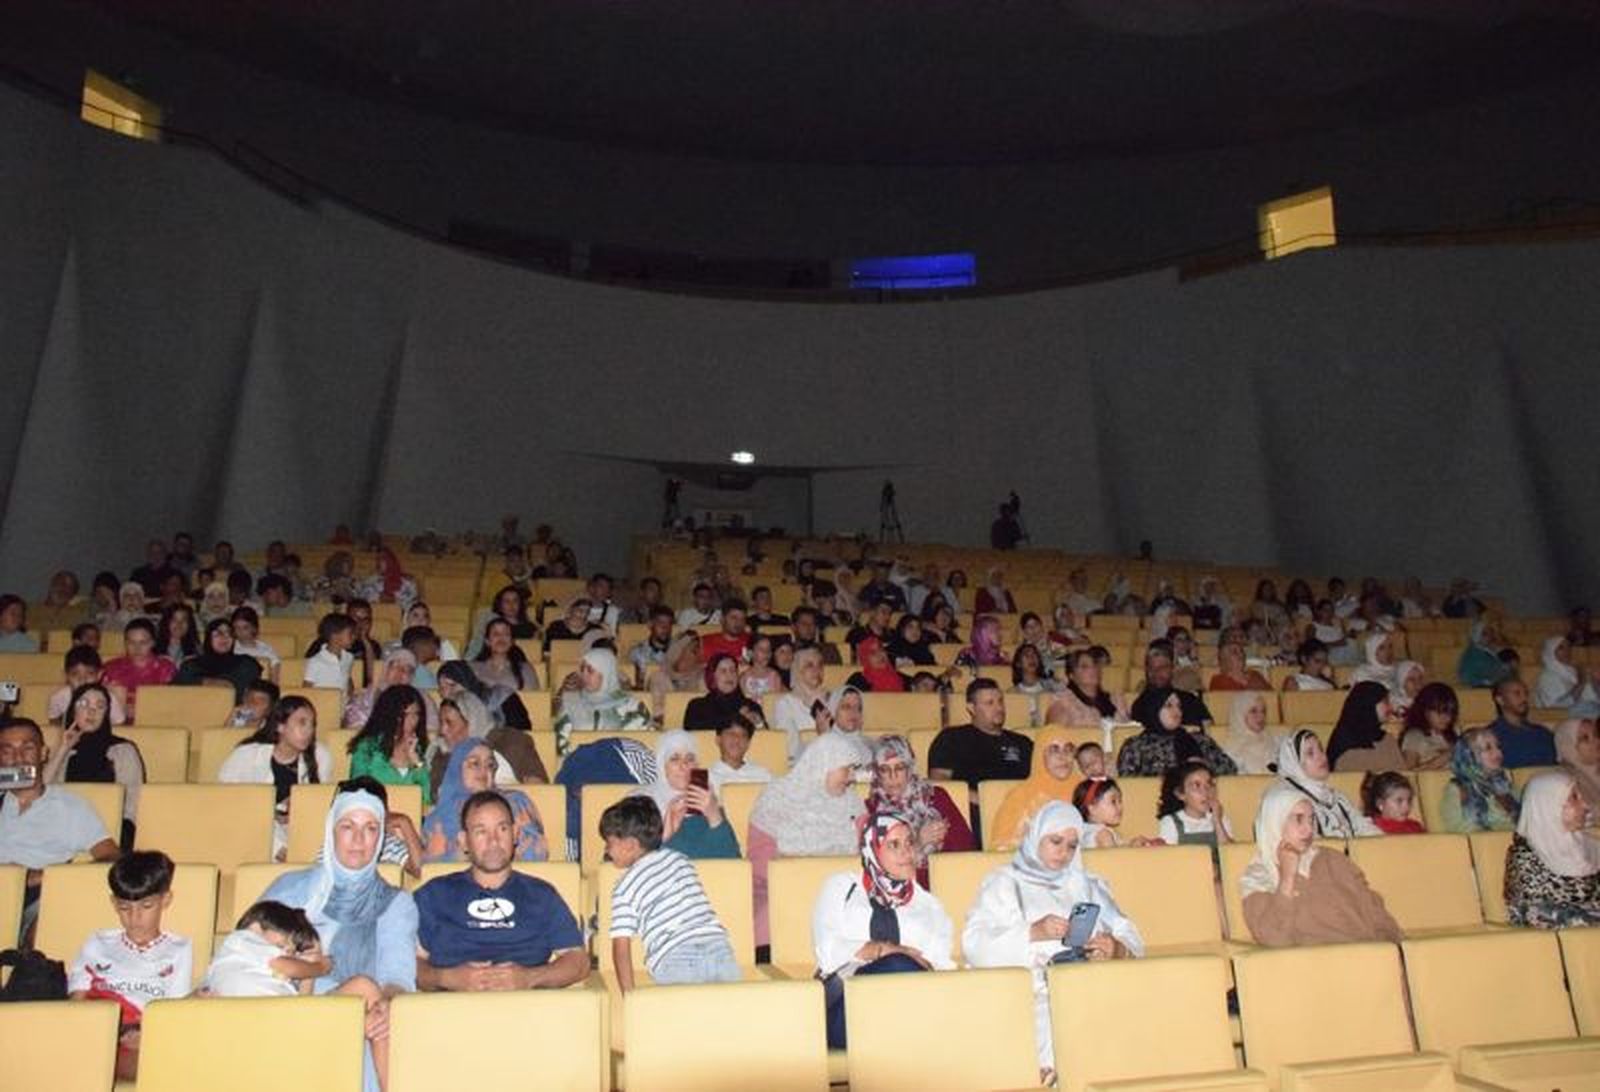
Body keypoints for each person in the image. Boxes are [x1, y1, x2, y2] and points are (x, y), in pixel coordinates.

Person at [962, 802, 1143, 1076]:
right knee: (1056, 1020)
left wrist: (1116, 948)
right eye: (1055, 841)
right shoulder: (1003, 883)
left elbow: (1130, 934)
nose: (1064, 852)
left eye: (1072, 846)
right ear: (1036, 837)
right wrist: (1032, 932)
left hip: (1088, 985)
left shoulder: (1086, 885)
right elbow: (974, 945)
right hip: (1029, 991)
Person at [263, 785, 417, 1092]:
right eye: (348, 826)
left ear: (381, 837)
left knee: (374, 1006)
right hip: (277, 1010)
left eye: (370, 828)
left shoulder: (395, 903)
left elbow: (397, 976)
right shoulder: (290, 887)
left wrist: (385, 1005)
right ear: (331, 830)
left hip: (354, 1020)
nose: (359, 839)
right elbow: (251, 951)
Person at [814, 813, 956, 1050]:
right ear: (873, 849)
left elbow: (940, 967)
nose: (906, 852)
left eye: (910, 842)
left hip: (907, 1010)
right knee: (899, 965)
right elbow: (827, 952)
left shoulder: (928, 904)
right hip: (846, 1007)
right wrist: (887, 950)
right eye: (894, 845)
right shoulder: (841, 887)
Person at [67, 851, 191, 1082]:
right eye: (125, 908)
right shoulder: (98, 943)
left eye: (146, 906)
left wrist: (148, 1034)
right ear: (114, 903)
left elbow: (174, 1009)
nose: (134, 918)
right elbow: (77, 1001)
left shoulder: (179, 949)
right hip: (95, 1029)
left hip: (144, 1035)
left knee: (160, 1062)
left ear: (165, 901)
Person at [601, 795, 743, 990]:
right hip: (717, 946)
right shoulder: (679, 859)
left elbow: (621, 946)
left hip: (674, 956)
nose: (607, 851)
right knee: (732, 1013)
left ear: (630, 845)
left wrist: (629, 995)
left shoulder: (624, 887)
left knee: (681, 1018)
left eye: (609, 843)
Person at [748, 731, 871, 946]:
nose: (852, 777)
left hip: (842, 896)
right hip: (784, 891)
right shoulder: (778, 796)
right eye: (847, 768)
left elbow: (869, 854)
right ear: (825, 764)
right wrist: (803, 875)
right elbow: (758, 861)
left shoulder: (853, 803)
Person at [1239, 786, 1402, 947]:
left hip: (1367, 957)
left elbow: (1376, 913)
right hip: (1314, 966)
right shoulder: (1259, 876)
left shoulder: (1333, 859)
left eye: (1311, 819)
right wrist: (1287, 879)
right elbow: (1274, 938)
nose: (1309, 829)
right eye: (1298, 819)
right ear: (1275, 822)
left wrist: (1395, 952)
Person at [219, 695, 331, 860]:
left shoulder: (320, 756)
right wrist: (273, 810)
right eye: (301, 723)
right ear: (280, 726)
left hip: (298, 831)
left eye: (312, 725)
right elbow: (227, 801)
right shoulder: (247, 755)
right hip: (252, 833)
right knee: (260, 817)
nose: (309, 731)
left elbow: (320, 807)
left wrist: (298, 808)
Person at [40, 683, 144, 849]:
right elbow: (41, 793)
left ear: (107, 713)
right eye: (83, 704)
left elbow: (132, 803)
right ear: (73, 711)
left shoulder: (123, 749)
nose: (91, 711)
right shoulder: (64, 751)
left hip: (109, 829)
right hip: (62, 828)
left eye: (100, 706)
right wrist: (63, 750)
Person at [865, 735, 974, 885]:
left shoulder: (936, 797)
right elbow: (877, 869)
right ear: (877, 773)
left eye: (899, 768)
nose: (893, 776)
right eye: (885, 769)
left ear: (909, 769)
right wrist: (918, 843)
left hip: (946, 883)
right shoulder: (870, 809)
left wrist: (942, 842)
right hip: (899, 893)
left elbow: (967, 847)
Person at [1503, 771, 1600, 928]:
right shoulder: (1525, 857)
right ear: (1548, 806)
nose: (1585, 806)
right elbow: (1533, 914)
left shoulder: (1591, 846)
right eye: (1574, 798)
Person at [421, 742, 547, 863]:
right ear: (456, 769)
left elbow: (537, 854)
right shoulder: (442, 812)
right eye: (475, 764)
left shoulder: (515, 801)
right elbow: (433, 867)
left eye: (490, 765)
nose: (484, 770)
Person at [628, 731, 740, 858]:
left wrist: (714, 815)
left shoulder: (708, 799)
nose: (684, 765)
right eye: (674, 759)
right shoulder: (641, 802)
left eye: (690, 759)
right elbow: (628, 858)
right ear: (661, 764)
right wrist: (664, 835)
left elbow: (733, 858)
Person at [205, 900, 333, 997]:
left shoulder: (265, 968)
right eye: (281, 945)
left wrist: (309, 975)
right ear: (256, 926)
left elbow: (302, 1004)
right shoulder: (242, 940)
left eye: (292, 952)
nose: (287, 952)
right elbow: (285, 966)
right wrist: (320, 967)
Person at [928, 679, 1034, 796]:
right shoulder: (951, 738)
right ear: (971, 708)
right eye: (990, 703)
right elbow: (939, 782)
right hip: (973, 809)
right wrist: (980, 801)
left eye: (1000, 701)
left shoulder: (1022, 742)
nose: (999, 708)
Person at [427, 693, 545, 796]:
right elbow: (437, 794)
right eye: (441, 722)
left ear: (472, 722)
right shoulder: (442, 753)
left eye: (449, 723)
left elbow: (537, 788)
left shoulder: (512, 741)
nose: (442, 730)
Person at [1273, 730, 1380, 838]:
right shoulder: (1291, 803)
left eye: (1321, 749)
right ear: (1295, 764)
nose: (1321, 756)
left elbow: (1362, 826)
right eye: (1310, 753)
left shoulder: (1336, 798)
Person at [988, 726, 1080, 852]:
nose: (1062, 757)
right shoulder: (1021, 796)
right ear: (1039, 756)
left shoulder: (1086, 791)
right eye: (1054, 750)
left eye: (1068, 749)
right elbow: (1002, 847)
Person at [347, 685, 433, 806]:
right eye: (405, 715)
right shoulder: (367, 748)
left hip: (412, 816)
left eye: (416, 714)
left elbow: (425, 798)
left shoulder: (418, 748)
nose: (412, 721)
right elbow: (358, 793)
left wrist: (417, 762)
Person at [1118, 691, 1236, 778]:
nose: (1177, 711)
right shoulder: (1136, 745)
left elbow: (1230, 769)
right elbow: (1130, 785)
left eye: (1179, 706)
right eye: (1169, 705)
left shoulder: (1199, 739)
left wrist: (1204, 766)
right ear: (1153, 709)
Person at [1438, 729, 1520, 833]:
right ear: (1469, 755)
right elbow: (1458, 827)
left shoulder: (1505, 784)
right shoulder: (1458, 788)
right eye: (1488, 748)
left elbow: (1525, 818)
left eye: (1498, 746)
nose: (1498, 752)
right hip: (1484, 845)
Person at [171, 617, 262, 702]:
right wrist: (210, 682)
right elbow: (176, 690)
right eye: (219, 633)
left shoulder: (246, 663)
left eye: (229, 634)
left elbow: (243, 694)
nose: (225, 638)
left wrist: (204, 682)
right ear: (208, 639)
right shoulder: (191, 665)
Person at [100, 619, 176, 721]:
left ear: (152, 643)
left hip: (155, 721)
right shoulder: (110, 668)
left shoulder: (166, 668)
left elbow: (173, 703)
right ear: (125, 643)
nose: (137, 648)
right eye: (131, 642)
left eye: (143, 642)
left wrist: (141, 710)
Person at [1326, 681, 1408, 773]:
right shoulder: (1342, 741)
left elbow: (1402, 773)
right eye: (1385, 702)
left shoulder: (1387, 739)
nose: (1390, 707)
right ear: (1369, 703)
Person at [1128, 644, 1212, 730]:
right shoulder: (1140, 704)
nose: (1156, 672)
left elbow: (1206, 728)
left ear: (1172, 669)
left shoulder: (1190, 700)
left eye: (1163, 667)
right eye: (1151, 668)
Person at [1156, 760, 1233, 853]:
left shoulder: (1220, 818)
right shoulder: (1171, 822)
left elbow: (1230, 855)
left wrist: (1217, 821)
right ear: (1180, 794)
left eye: (1209, 784)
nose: (1205, 791)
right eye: (1197, 786)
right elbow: (1168, 858)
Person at [45, 646, 128, 726]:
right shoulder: (58, 698)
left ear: (99, 675)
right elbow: (54, 724)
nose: (82, 680)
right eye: (75, 674)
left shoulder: (109, 699)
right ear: (66, 676)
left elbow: (119, 725)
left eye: (89, 674)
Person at [683, 652, 764, 732]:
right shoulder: (698, 705)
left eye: (733, 670)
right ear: (712, 676)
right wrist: (735, 718)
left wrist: (759, 723)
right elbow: (690, 729)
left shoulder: (751, 706)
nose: (730, 675)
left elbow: (767, 737)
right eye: (723, 671)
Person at [1044, 649, 1126, 727]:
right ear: (1071, 676)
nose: (1093, 669)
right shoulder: (1062, 704)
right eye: (1084, 667)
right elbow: (1053, 738)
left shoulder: (1115, 700)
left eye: (1095, 664)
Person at [1487, 677, 1557, 768]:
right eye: (1517, 694)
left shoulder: (1543, 733)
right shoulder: (1491, 736)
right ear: (1500, 700)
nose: (1524, 698)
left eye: (1526, 694)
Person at [1399, 683, 1460, 771]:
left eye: (1449, 712)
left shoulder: (1454, 735)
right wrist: (1445, 757)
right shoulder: (1414, 736)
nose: (1445, 717)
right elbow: (1410, 774)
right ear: (1425, 711)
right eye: (1439, 712)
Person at [1221, 691, 1284, 775]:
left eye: (1263, 711)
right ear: (1239, 714)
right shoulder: (1231, 749)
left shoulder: (1276, 741)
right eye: (1253, 711)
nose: (1261, 716)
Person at [471, 618, 541, 692]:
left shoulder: (525, 669)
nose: (501, 638)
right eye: (496, 634)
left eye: (506, 634)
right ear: (487, 641)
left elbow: (531, 698)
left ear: (512, 641)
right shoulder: (473, 669)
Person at [707, 718, 772, 796]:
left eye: (743, 735)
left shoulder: (763, 775)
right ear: (718, 740)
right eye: (731, 734)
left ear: (748, 744)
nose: (737, 739)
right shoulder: (707, 779)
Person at [1533, 636, 1600, 710]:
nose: (1567, 651)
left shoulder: (1572, 671)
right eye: (1561, 648)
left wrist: (1595, 682)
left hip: (1585, 710)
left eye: (1569, 647)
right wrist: (1582, 682)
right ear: (1551, 651)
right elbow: (1558, 705)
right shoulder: (1547, 676)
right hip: (1561, 716)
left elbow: (1591, 696)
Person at [1554, 716, 1600, 816]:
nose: (1596, 741)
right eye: (1585, 738)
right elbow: (1585, 814)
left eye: (1595, 735)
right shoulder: (1565, 781)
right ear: (1569, 745)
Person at [304, 613, 357, 692]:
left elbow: (347, 678)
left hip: (344, 702)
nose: (354, 637)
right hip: (323, 702)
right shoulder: (315, 661)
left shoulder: (349, 657)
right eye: (350, 634)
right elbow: (307, 688)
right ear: (335, 636)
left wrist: (351, 694)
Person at [847, 634, 912, 694]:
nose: (880, 655)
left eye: (881, 649)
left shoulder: (902, 678)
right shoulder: (858, 680)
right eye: (873, 653)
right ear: (865, 658)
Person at [1458, 619, 1511, 688]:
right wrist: (1486, 682)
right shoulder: (1471, 654)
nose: (1489, 637)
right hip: (1480, 689)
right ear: (1477, 635)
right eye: (1485, 634)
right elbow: (1465, 677)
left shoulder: (1491, 651)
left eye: (1491, 633)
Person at [739, 634, 785, 700]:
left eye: (768, 649)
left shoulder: (775, 676)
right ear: (751, 652)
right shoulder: (744, 677)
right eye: (761, 649)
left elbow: (777, 702)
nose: (766, 652)